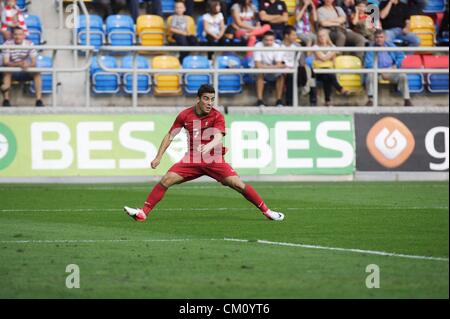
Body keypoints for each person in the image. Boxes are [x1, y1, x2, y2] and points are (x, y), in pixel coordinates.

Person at [124, 84, 285, 222]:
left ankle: (268, 212)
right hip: (192, 160)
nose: (210, 103)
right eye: (206, 98)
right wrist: (158, 157)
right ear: (198, 99)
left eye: (212, 99)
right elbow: (170, 135)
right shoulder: (185, 115)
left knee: (237, 184)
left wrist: (209, 147)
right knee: (166, 179)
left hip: (214, 159)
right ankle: (142, 213)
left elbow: (219, 136)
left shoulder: (217, 115)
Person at [364, 29, 413, 106]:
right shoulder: (370, 49)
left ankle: (407, 99)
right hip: (377, 73)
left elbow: (401, 56)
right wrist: (380, 71)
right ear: (374, 38)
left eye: (381, 37)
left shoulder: (390, 45)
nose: (379, 39)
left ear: (385, 38)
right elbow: (368, 64)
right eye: (377, 37)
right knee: (370, 75)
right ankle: (371, 100)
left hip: (391, 70)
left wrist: (396, 65)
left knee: (402, 75)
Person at [1, 27, 44, 107]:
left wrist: (28, 65)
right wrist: (18, 64)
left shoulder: (29, 44)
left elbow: (34, 62)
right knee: (6, 72)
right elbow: (5, 62)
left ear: (24, 35)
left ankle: (39, 100)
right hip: (13, 70)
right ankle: (6, 100)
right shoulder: (7, 44)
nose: (18, 37)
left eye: (20, 34)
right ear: (12, 36)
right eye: (16, 34)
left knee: (37, 72)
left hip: (25, 69)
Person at [281, 26, 317, 106]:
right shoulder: (279, 46)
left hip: (297, 68)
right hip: (284, 69)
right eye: (293, 35)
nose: (295, 37)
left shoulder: (297, 46)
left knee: (310, 71)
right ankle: (289, 103)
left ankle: (313, 101)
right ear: (286, 36)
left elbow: (302, 61)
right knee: (290, 76)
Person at [313, 28, 350, 106]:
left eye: (323, 36)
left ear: (327, 36)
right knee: (328, 74)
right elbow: (323, 59)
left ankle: (327, 101)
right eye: (319, 36)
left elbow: (333, 61)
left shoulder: (332, 46)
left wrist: (331, 55)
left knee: (327, 76)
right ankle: (340, 89)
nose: (321, 38)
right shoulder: (315, 47)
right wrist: (333, 52)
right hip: (318, 71)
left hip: (328, 71)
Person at [254, 30, 285, 107]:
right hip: (261, 70)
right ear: (263, 40)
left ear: (274, 40)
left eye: (271, 40)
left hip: (271, 70)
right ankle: (260, 100)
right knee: (259, 73)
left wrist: (265, 66)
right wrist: (274, 66)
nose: (268, 42)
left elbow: (279, 64)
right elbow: (257, 65)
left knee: (281, 75)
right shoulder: (258, 45)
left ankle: (279, 101)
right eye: (266, 40)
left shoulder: (277, 47)